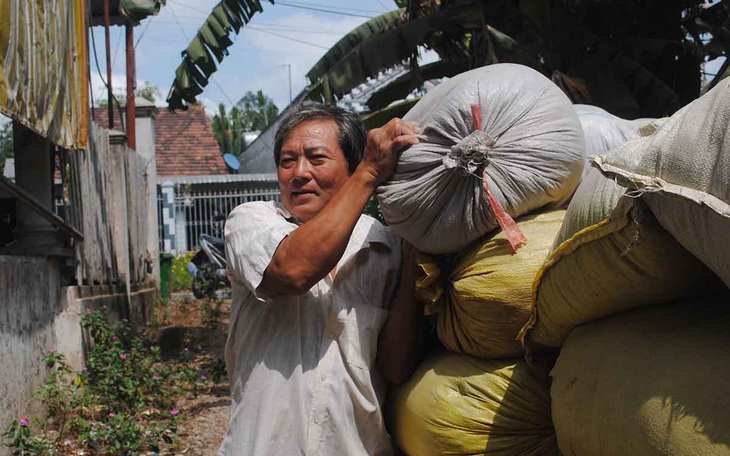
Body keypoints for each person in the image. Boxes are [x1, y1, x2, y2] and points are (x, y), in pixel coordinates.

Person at [219, 102, 423, 455]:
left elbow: (395, 367)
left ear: (349, 165)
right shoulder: (250, 223)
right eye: (287, 161)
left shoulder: (386, 248)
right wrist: (370, 172)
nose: (299, 172)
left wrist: (414, 255)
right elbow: (294, 270)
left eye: (316, 158)